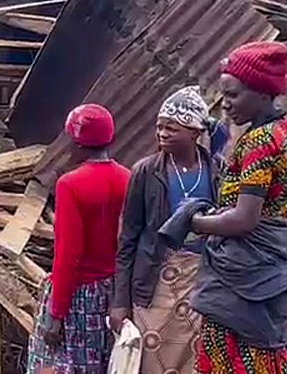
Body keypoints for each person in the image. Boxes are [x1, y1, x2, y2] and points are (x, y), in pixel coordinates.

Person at [187, 42, 287, 373]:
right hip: (274, 268)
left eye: (233, 95)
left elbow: (244, 219)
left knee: (231, 356)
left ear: (261, 93)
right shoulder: (282, 132)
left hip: (244, 276)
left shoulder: (260, 141)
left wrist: (195, 221)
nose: (226, 105)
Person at [110, 86, 220, 374]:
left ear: (195, 131)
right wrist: (120, 301)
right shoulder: (146, 171)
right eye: (159, 127)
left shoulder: (217, 170)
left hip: (201, 282)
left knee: (196, 361)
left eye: (172, 128)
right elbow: (128, 239)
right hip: (154, 281)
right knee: (148, 360)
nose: (162, 133)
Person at [26, 104, 131, 374]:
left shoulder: (70, 184)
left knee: (51, 364)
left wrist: (56, 313)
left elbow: (67, 256)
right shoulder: (127, 178)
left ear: (78, 143)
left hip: (78, 297)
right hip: (111, 294)